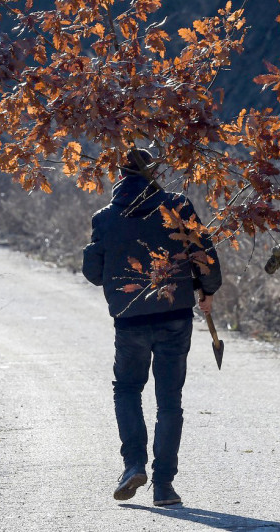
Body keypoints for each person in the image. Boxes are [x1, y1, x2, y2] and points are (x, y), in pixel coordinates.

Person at [81, 148, 222, 507]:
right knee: (169, 401)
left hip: (130, 321)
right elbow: (204, 254)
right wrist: (207, 290)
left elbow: (93, 273)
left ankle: (133, 465)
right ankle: (163, 485)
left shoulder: (106, 219)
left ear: (121, 175)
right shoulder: (178, 207)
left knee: (127, 389)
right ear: (154, 172)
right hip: (174, 317)